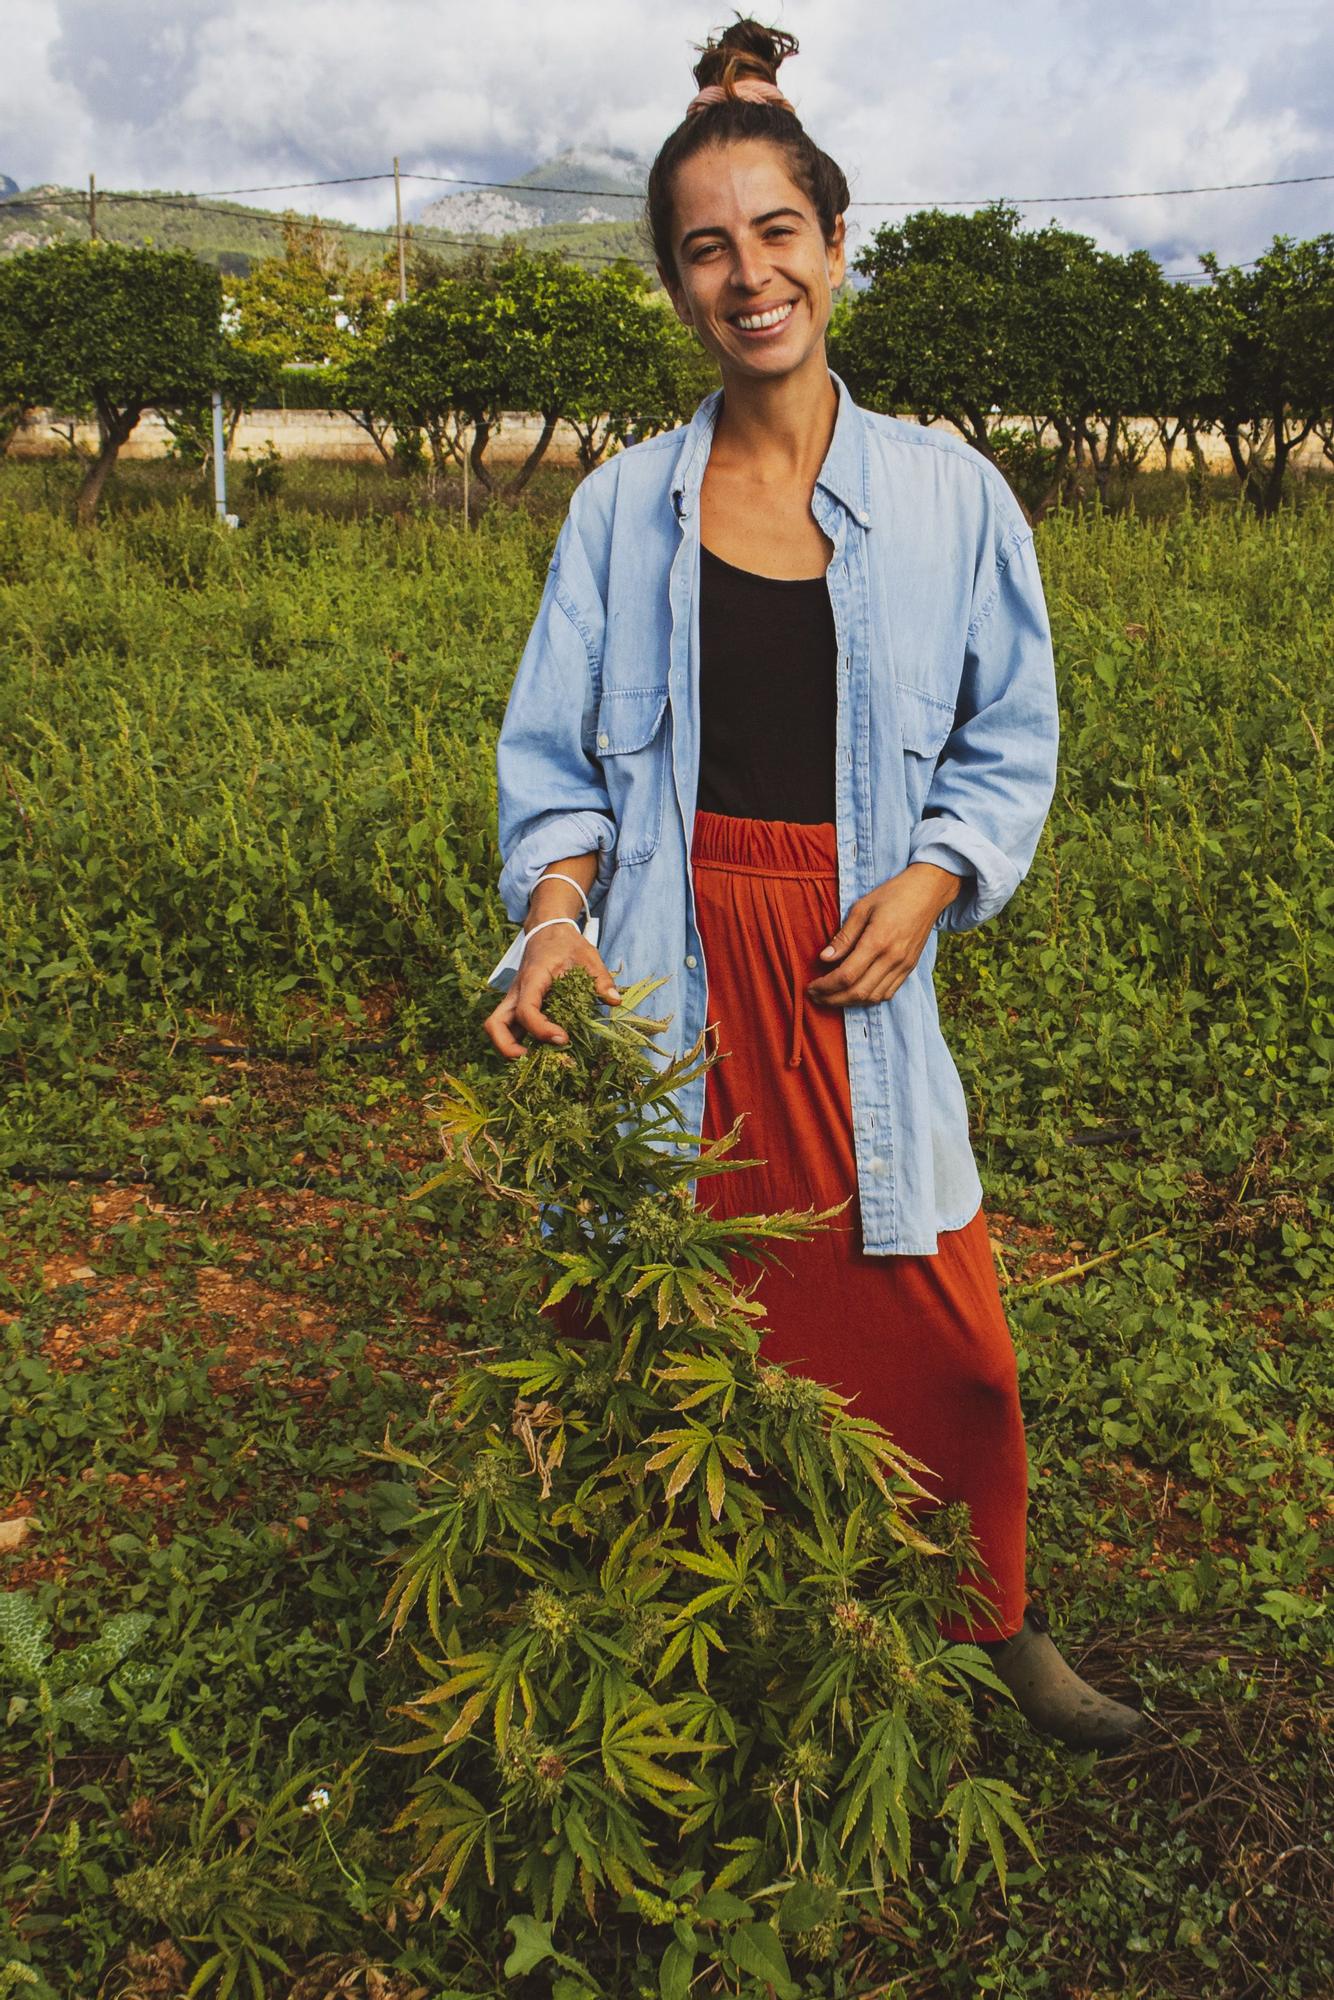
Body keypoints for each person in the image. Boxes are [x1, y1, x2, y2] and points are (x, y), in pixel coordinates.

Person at [484, 18, 1143, 1753]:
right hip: (663, 970)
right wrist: (550, 923)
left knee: (951, 1342)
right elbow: (556, 769)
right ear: (674, 284)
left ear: (835, 249)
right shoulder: (621, 512)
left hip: (846, 971)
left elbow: (1008, 742)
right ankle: (707, 1645)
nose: (746, 273)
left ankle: (992, 1621)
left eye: (776, 232)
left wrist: (934, 880)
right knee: (659, 1326)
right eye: (705, 247)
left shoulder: (947, 498)